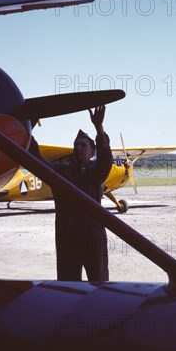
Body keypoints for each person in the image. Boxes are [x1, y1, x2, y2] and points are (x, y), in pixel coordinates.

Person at [51, 105, 112, 281]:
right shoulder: (60, 172)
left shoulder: (95, 173)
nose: (78, 148)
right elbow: (36, 161)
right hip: (66, 238)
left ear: (92, 150)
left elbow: (106, 159)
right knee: (67, 286)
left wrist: (99, 128)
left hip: (92, 237)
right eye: (76, 145)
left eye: (83, 145)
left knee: (99, 284)